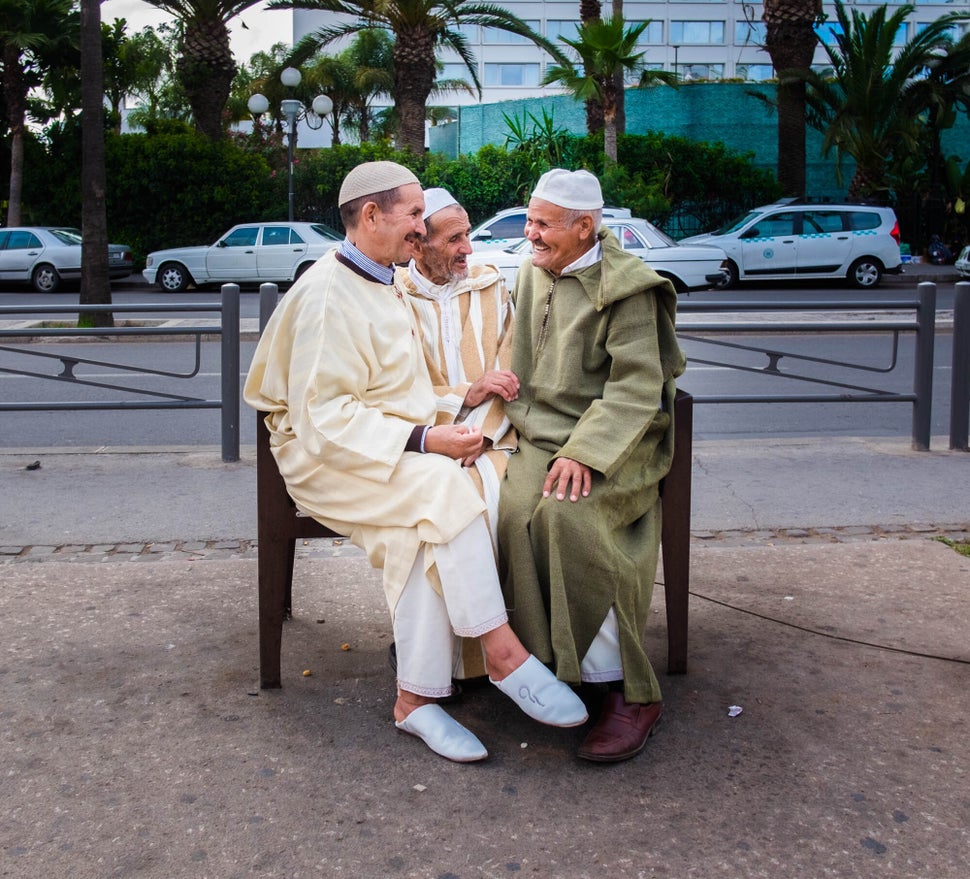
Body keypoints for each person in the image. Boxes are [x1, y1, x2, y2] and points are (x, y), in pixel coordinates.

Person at [243, 161, 587, 763]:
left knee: (422, 538)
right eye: (412, 217)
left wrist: (461, 398)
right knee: (447, 488)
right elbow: (325, 419)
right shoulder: (329, 294)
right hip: (323, 461)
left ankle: (415, 701)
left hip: (365, 450)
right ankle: (505, 655)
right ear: (371, 216)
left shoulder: (375, 276)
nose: (420, 230)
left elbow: (389, 394)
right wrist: (430, 440)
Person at [498, 168, 687, 763]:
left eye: (542, 224)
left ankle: (624, 691)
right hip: (541, 434)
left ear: (586, 227)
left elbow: (637, 387)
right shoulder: (533, 270)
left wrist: (585, 450)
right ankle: (548, 663)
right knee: (505, 514)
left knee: (567, 520)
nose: (529, 234)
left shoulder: (631, 288)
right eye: (528, 220)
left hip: (616, 440)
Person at [395, 187, 518, 679]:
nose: (469, 248)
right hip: (423, 438)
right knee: (436, 512)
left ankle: (480, 655)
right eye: (454, 239)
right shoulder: (393, 297)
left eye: (468, 234)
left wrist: (483, 433)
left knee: (490, 497)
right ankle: (445, 659)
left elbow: (511, 368)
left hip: (495, 436)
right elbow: (399, 388)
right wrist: (463, 396)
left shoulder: (491, 285)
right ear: (418, 245)